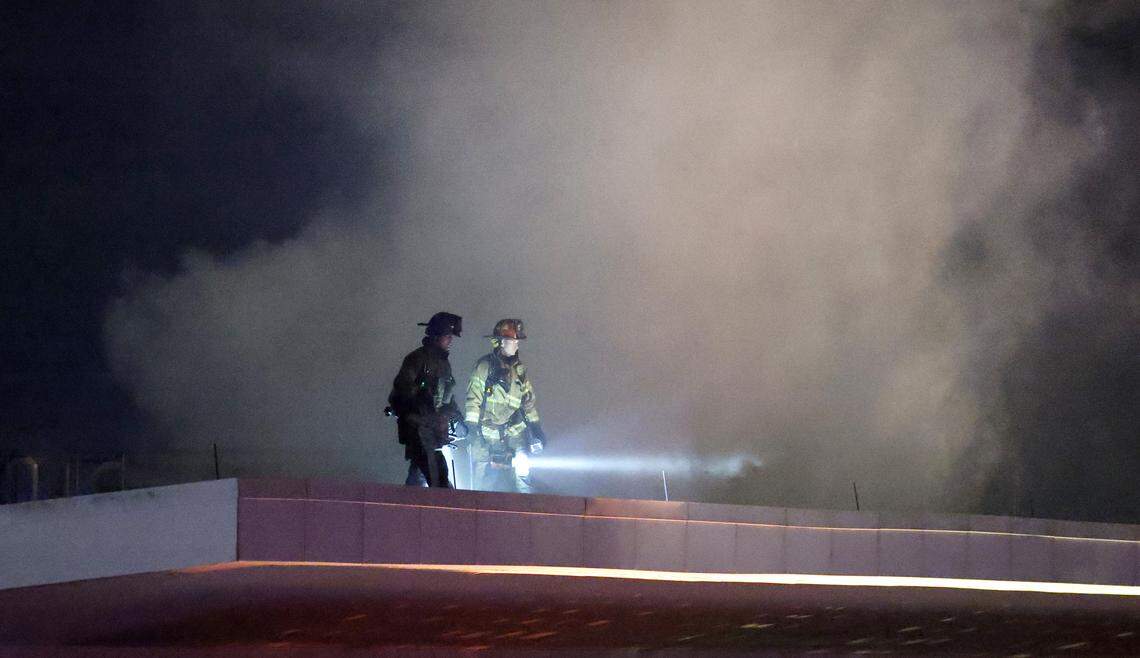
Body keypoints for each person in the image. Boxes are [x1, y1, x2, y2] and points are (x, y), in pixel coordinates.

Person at [464, 319, 547, 493]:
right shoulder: (484, 367)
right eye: (513, 341)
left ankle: (525, 510)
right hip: (486, 435)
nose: (517, 345)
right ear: (501, 341)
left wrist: (536, 428)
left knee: (523, 471)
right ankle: (479, 515)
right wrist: (473, 433)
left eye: (518, 341)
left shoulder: (519, 370)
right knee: (484, 483)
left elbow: (528, 403)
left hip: (512, 431)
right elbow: (473, 403)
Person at [388, 312, 465, 487]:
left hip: (433, 431)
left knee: (418, 477)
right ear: (437, 336)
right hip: (418, 429)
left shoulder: (444, 364)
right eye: (447, 336)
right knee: (439, 478)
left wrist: (456, 418)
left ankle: (405, 508)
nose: (450, 341)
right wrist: (422, 407)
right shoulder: (417, 359)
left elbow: (447, 398)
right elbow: (401, 389)